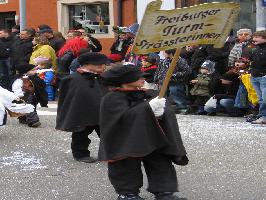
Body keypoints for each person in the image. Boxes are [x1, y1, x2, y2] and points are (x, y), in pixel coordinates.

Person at [99, 64, 188, 200]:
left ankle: (164, 191)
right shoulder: (112, 98)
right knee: (125, 165)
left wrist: (162, 113)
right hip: (126, 140)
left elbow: (163, 109)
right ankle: (127, 193)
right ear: (125, 80)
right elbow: (121, 119)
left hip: (152, 136)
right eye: (138, 77)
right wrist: (148, 109)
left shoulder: (147, 94)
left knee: (160, 162)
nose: (142, 79)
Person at [56, 52, 108, 163]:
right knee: (81, 134)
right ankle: (80, 154)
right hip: (82, 113)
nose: (103, 67)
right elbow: (70, 98)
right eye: (99, 65)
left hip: (101, 113)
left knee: (108, 133)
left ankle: (111, 153)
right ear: (86, 64)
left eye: (104, 65)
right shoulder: (73, 79)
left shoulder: (102, 78)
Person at [154, 49, 192, 114]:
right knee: (163, 96)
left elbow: (187, 71)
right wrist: (156, 79)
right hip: (163, 82)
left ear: (170, 53)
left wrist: (174, 75)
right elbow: (158, 71)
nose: (163, 54)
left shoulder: (180, 61)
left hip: (175, 81)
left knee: (176, 94)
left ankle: (182, 107)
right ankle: (166, 108)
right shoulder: (163, 61)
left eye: (164, 52)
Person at [249, 30, 266, 124]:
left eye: (257, 37)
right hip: (254, 76)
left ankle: (264, 116)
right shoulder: (256, 49)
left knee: (265, 97)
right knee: (260, 98)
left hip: (263, 76)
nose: (254, 39)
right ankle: (261, 115)